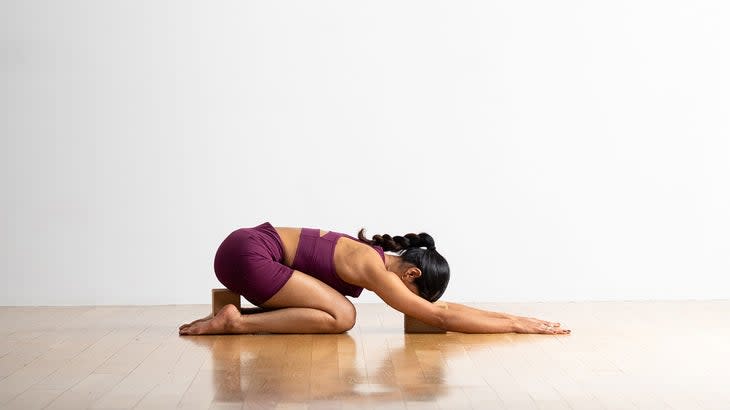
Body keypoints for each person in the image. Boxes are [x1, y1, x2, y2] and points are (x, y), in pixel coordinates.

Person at [178, 222, 571, 335]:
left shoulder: (373, 257)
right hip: (250, 256)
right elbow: (442, 316)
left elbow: (438, 311)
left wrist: (513, 320)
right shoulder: (372, 265)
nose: (413, 305)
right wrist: (517, 323)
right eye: (417, 294)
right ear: (411, 273)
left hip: (238, 248)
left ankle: (235, 317)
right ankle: (237, 323)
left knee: (337, 309)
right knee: (343, 316)